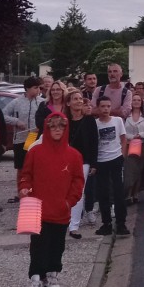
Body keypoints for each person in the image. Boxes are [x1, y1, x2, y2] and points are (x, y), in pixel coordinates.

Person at [19, 113, 84, 287]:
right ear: (46, 129)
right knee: (38, 245)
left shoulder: (74, 155)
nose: (57, 130)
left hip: (61, 209)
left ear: (66, 129)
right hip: (38, 209)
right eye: (53, 127)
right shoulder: (35, 151)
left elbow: (78, 181)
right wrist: (24, 188)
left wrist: (69, 201)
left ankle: (52, 275)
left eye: (61, 127)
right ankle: (36, 279)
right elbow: (26, 174)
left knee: (57, 244)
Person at [3, 77, 44, 202]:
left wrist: (40, 126)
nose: (38, 90)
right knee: (21, 167)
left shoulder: (42, 102)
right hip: (21, 138)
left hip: (34, 138)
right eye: (35, 88)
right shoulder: (16, 102)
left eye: (39, 88)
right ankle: (21, 192)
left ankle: (35, 191)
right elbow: (3, 115)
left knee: (35, 166)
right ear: (27, 88)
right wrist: (16, 121)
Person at [93, 97, 129, 236]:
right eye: (103, 106)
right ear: (98, 108)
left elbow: (123, 139)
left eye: (108, 106)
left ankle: (121, 223)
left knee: (118, 192)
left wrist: (122, 155)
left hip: (116, 158)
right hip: (101, 161)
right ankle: (106, 223)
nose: (106, 109)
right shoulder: (95, 124)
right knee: (103, 193)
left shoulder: (117, 121)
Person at [65, 89, 98, 239]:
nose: (79, 101)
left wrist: (93, 163)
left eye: (80, 99)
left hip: (83, 161)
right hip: (65, 161)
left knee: (79, 192)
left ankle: (74, 226)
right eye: (75, 99)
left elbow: (94, 143)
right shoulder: (64, 121)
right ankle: (63, 220)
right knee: (64, 191)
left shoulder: (89, 120)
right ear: (68, 103)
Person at [124, 94, 144, 204]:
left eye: (138, 100)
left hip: (142, 145)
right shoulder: (126, 116)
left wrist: (140, 135)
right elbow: (122, 131)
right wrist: (132, 137)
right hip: (129, 145)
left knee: (140, 170)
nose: (136, 102)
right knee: (130, 171)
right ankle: (128, 194)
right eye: (134, 100)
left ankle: (135, 194)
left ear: (141, 102)